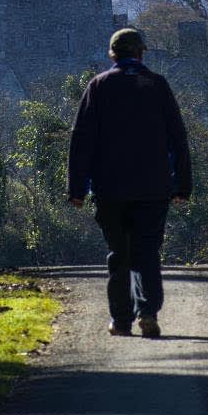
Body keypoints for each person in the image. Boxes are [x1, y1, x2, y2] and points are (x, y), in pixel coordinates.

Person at [66, 27, 193, 337]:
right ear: (140, 53)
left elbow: (81, 140)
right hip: (153, 186)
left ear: (113, 55)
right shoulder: (156, 85)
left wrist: (77, 188)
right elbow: (178, 138)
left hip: (110, 188)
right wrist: (182, 185)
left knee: (118, 253)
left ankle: (121, 319)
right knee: (147, 251)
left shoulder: (98, 86)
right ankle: (148, 311)